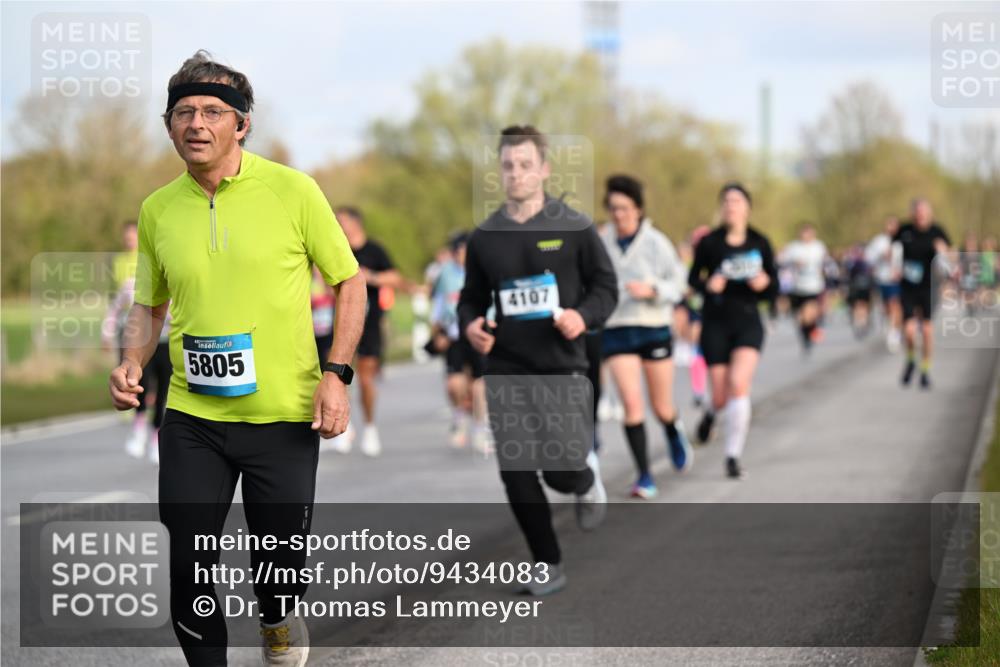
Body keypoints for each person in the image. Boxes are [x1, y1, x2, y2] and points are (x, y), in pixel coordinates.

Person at [108, 51, 365, 667]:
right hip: (193, 416)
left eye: (213, 112)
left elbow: (348, 283)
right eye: (184, 112)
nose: (197, 123)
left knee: (279, 570)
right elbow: (149, 301)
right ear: (168, 125)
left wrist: (336, 375)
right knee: (190, 560)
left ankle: (278, 620)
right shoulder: (157, 210)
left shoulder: (293, 190)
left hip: (283, 414)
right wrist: (132, 362)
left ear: (241, 124)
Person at [458, 125, 617, 594]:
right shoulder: (485, 237)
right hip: (507, 364)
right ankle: (547, 562)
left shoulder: (575, 227)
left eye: (526, 164)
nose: (516, 173)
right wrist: (470, 324)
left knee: (560, 468)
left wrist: (581, 316)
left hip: (563, 364)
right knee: (516, 468)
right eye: (508, 165)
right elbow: (469, 299)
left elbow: (606, 288)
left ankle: (584, 479)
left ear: (544, 169)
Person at [597, 175, 691, 499]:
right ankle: (644, 475)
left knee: (661, 405)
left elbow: (679, 284)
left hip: (652, 327)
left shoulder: (656, 243)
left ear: (637, 209)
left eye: (624, 208)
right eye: (613, 208)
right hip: (617, 328)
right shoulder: (601, 243)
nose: (618, 215)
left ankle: (672, 430)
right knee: (631, 404)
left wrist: (653, 290)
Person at [688, 183, 778, 479]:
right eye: (726, 201)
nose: (731, 206)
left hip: (748, 320)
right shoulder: (710, 243)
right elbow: (693, 279)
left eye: (737, 201)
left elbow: (774, 287)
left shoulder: (760, 243)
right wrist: (708, 285)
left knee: (739, 383)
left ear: (747, 207)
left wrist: (764, 285)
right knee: (720, 396)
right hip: (715, 321)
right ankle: (711, 416)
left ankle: (732, 456)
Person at [335, 206, 403, 457]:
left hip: (369, 322)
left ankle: (370, 427)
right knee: (337, 375)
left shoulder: (374, 250)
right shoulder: (335, 247)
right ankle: (344, 428)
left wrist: (370, 277)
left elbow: (395, 278)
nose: (337, 225)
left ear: (355, 223)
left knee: (364, 379)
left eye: (341, 220)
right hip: (339, 320)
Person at [103, 220, 172, 463]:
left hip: (168, 342)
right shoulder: (129, 281)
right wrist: (108, 332)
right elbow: (116, 308)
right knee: (140, 383)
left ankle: (155, 439)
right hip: (140, 339)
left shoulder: (173, 277)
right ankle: (139, 428)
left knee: (163, 393)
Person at [429, 231, 491, 452]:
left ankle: (480, 427)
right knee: (455, 384)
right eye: (457, 251)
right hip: (454, 335)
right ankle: (458, 416)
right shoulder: (445, 273)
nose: (460, 255)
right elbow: (438, 303)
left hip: (480, 333)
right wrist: (437, 332)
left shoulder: (485, 269)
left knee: (479, 385)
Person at [893, 198, 952, 389]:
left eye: (924, 212)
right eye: (917, 212)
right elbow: (892, 250)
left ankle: (925, 370)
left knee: (926, 331)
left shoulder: (937, 231)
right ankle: (911, 360)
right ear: (913, 213)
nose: (920, 215)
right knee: (909, 332)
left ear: (929, 213)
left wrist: (943, 251)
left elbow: (951, 257)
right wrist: (893, 265)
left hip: (929, 287)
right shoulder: (904, 230)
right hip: (908, 286)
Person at [779, 222, 829, 354]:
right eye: (803, 233)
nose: (806, 235)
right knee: (800, 317)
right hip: (797, 287)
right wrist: (794, 263)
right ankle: (805, 334)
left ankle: (810, 332)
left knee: (809, 313)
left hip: (813, 286)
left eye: (809, 233)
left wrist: (824, 276)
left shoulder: (819, 247)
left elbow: (825, 264)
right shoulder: (793, 247)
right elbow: (782, 262)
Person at [866, 216, 903, 352]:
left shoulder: (903, 240)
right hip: (883, 278)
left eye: (894, 225)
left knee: (896, 305)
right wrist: (881, 256)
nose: (891, 228)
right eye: (889, 224)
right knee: (888, 307)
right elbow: (868, 258)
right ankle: (891, 325)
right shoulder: (879, 241)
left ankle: (894, 334)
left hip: (899, 279)